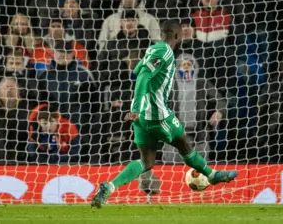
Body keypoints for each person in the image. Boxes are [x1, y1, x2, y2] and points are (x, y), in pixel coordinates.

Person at [90, 20, 237, 209]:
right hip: (157, 114)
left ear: (160, 34)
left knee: (146, 161)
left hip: (143, 118)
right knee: (184, 143)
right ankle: (212, 175)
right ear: (178, 36)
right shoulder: (166, 51)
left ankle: (110, 186)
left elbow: (136, 72)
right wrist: (136, 106)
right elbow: (142, 76)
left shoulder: (152, 50)